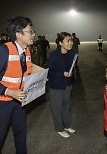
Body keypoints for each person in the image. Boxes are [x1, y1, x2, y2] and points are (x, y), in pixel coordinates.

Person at [0, 16, 44, 154]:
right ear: (18, 34)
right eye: (30, 31)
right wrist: (8, 91)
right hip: (3, 103)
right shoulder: (3, 51)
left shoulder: (27, 50)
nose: (33, 34)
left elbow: (28, 68)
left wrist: (44, 75)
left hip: (20, 101)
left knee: (21, 133)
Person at [47, 32, 75, 138]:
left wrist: (71, 73)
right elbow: (48, 71)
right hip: (56, 86)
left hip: (67, 85)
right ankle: (59, 128)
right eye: (68, 41)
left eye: (71, 40)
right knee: (57, 108)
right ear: (60, 43)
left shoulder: (71, 53)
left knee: (66, 106)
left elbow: (71, 67)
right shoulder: (54, 55)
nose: (71, 43)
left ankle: (67, 125)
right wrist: (62, 73)